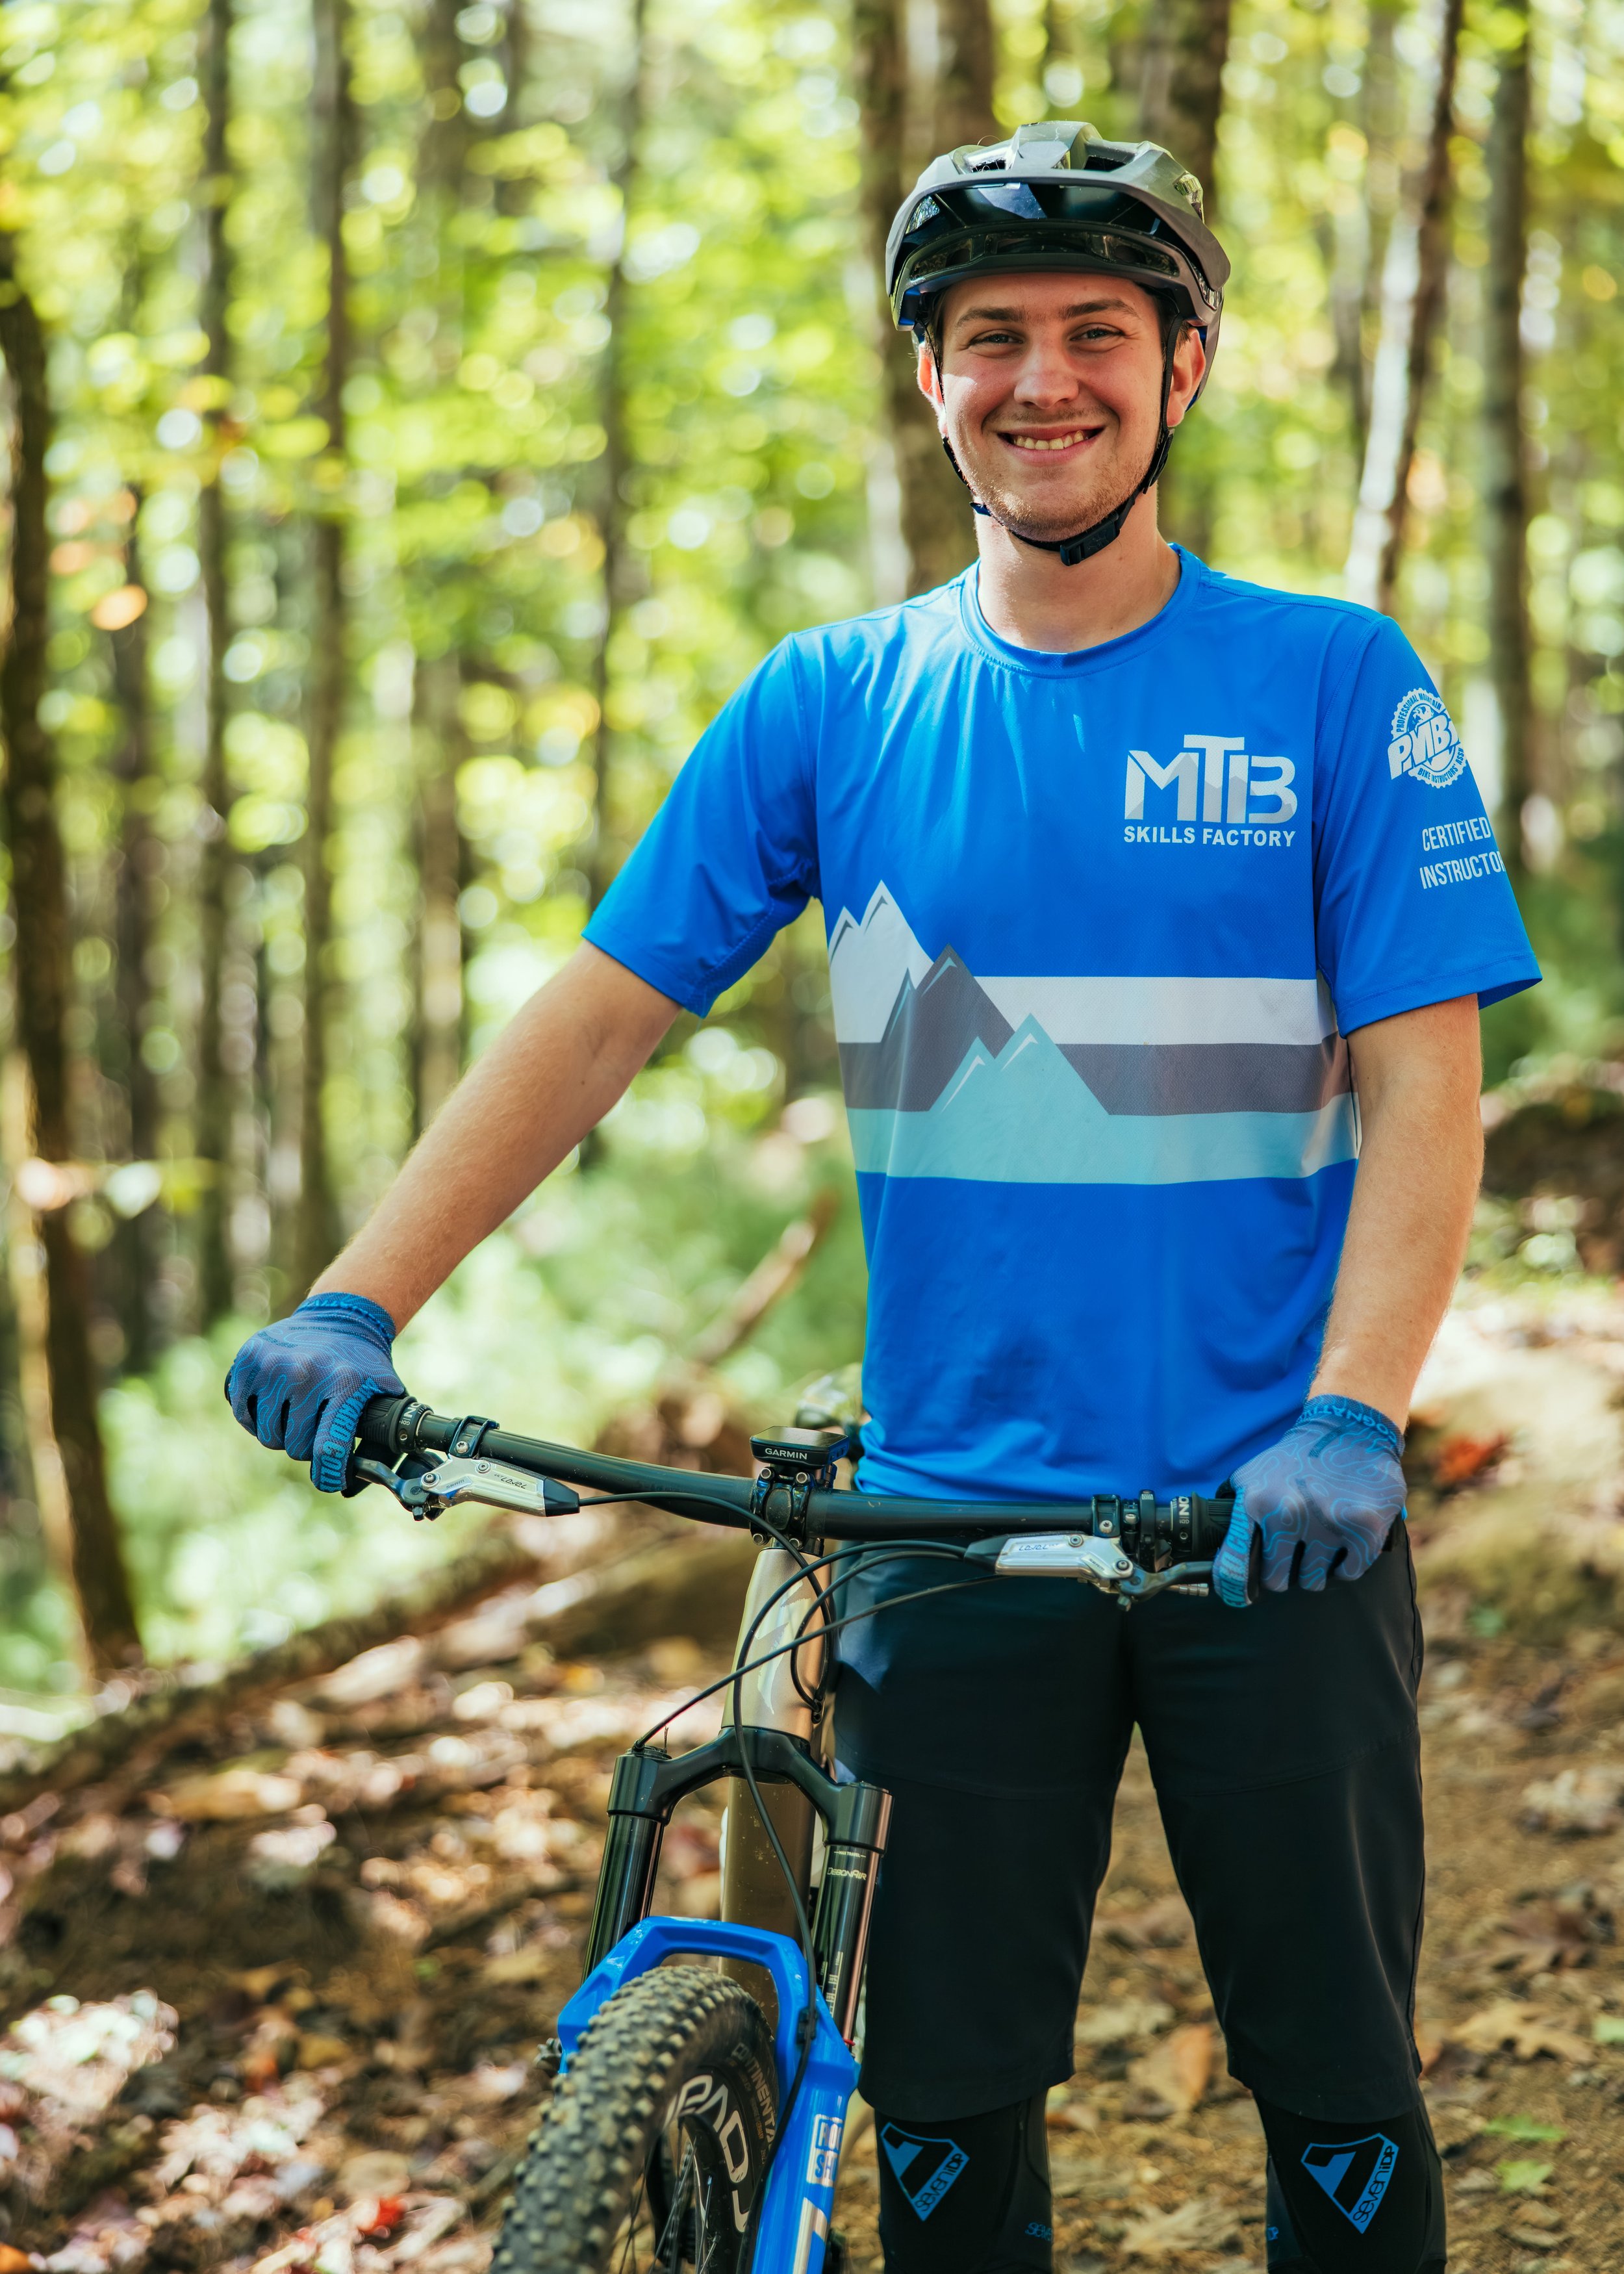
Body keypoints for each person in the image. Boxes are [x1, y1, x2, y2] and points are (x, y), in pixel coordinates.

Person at [227, 121, 1538, 2274]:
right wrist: (357, 1298)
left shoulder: (1327, 680)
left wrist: (1355, 1410)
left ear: (1181, 367)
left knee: (1339, 2088)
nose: (1043, 383)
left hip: (1264, 1527)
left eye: (1094, 335)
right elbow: (598, 1014)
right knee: (937, 2109)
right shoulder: (831, 700)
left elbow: (1426, 1088)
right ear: (929, 380)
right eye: (987, 338)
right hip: (939, 1529)